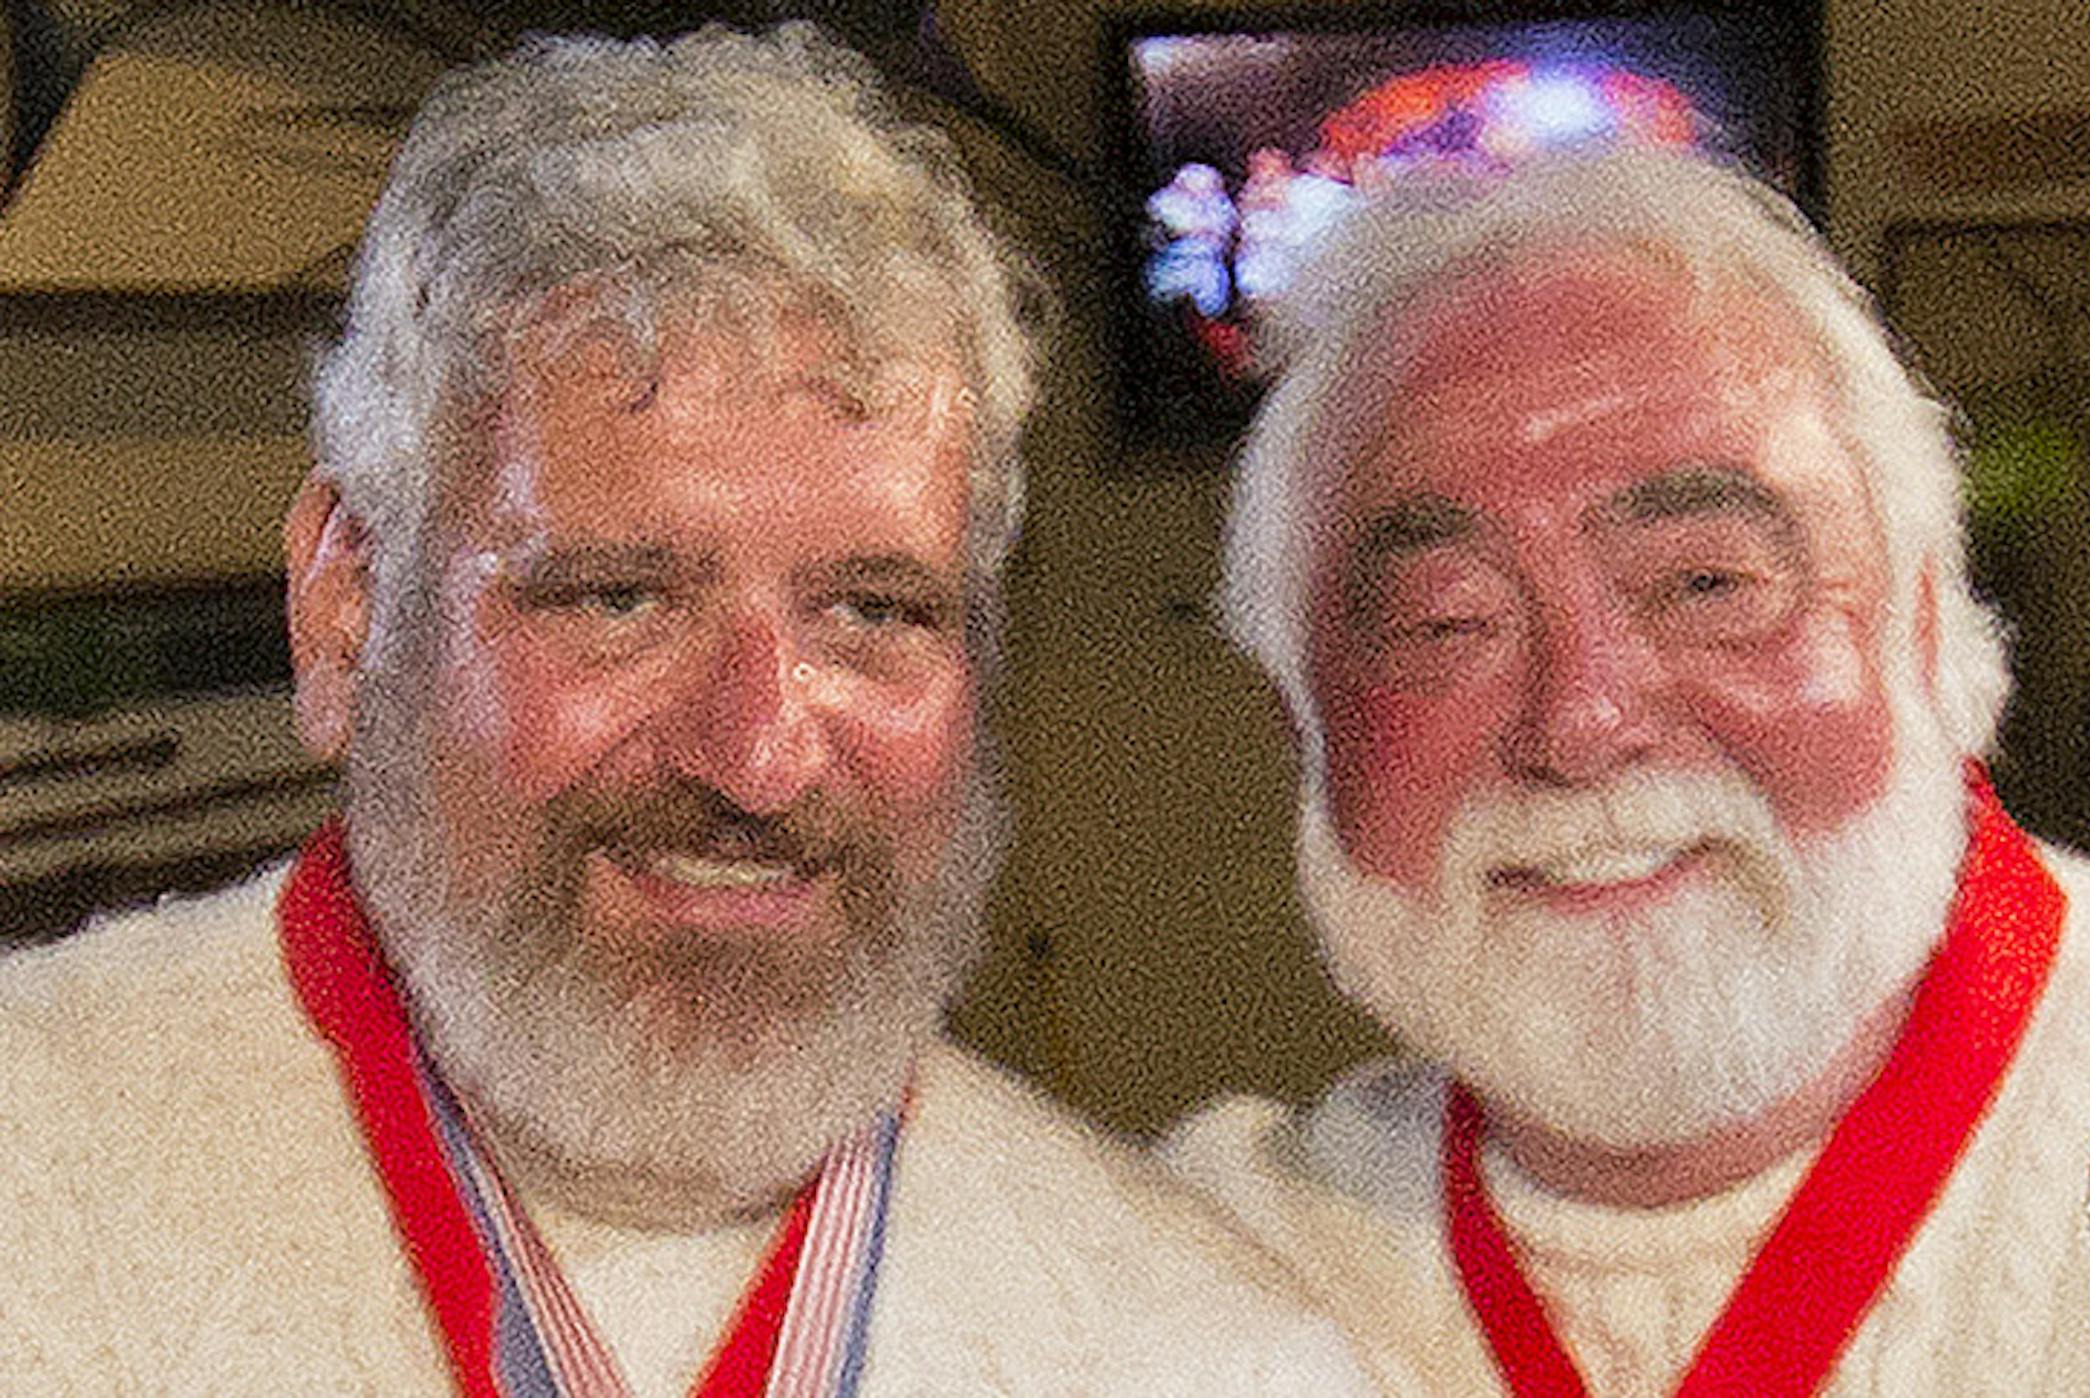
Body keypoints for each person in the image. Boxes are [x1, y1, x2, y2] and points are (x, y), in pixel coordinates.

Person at [0, 25, 1380, 1395]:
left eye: (875, 611)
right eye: (618, 598)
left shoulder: (1203, 1344)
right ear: (344, 602)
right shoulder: (35, 1191)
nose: (759, 757)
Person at [1166, 145, 2090, 1394]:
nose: (1583, 722)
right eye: (1446, 623)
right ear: (1299, 727)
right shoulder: (1194, 1273)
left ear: (1920, 627)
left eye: (1707, 584)